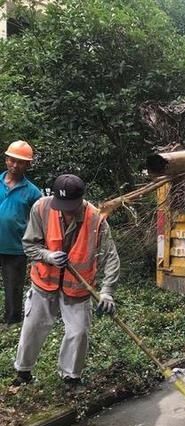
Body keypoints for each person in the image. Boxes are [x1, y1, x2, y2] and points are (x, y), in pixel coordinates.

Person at [12, 174, 120, 388]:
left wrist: (107, 291)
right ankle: (23, 372)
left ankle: (71, 377)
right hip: (44, 282)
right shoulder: (42, 208)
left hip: (78, 288)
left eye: (71, 205)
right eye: (61, 205)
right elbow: (29, 245)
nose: (65, 210)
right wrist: (47, 256)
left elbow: (111, 257)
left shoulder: (96, 219)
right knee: (33, 327)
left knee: (78, 332)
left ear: (81, 199)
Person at [0, 141, 42, 327]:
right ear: (6, 159)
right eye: (12, 160)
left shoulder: (33, 193)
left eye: (20, 162)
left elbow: (41, 220)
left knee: (13, 288)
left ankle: (12, 322)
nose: (15, 165)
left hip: (16, 248)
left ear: (28, 165)